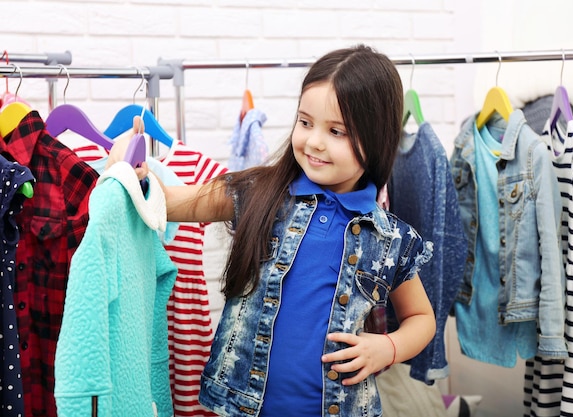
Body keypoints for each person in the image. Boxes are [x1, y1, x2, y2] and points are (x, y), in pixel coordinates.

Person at [111, 44, 436, 417]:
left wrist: (387, 347)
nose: (314, 141)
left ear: (376, 137)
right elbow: (168, 201)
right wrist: (132, 168)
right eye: (305, 122)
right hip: (245, 408)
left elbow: (421, 318)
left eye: (336, 131)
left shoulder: (389, 238)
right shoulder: (258, 192)